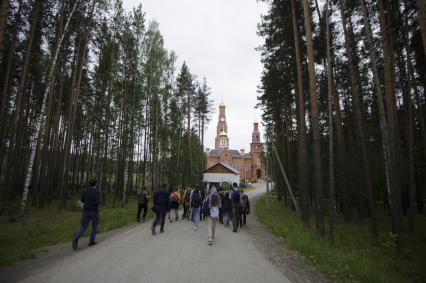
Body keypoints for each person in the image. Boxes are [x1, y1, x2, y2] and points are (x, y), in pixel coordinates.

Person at [72, 179, 101, 250]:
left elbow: (82, 200)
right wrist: (98, 203)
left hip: (85, 211)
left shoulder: (85, 191)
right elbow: (97, 202)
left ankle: (76, 237)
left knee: (83, 226)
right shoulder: (97, 192)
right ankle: (91, 241)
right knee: (94, 226)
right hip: (94, 211)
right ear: (96, 184)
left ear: (89, 184)